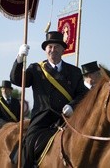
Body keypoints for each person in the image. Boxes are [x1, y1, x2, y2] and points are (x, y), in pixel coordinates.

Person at [10, 31, 89, 168]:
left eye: (57, 47)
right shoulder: (36, 69)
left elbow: (83, 94)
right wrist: (19, 58)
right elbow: (17, 80)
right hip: (42, 119)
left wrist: (72, 106)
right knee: (29, 144)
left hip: (67, 119)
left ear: (63, 50)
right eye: (50, 47)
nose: (53, 50)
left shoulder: (74, 71)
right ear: (45, 50)